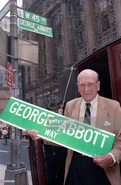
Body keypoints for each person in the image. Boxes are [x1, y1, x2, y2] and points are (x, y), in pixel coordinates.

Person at [27, 69, 121, 185]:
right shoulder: (70, 106)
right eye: (82, 85)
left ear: (98, 85)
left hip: (103, 171)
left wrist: (111, 157)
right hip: (76, 169)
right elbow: (63, 137)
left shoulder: (113, 107)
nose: (86, 89)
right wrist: (40, 134)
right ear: (77, 86)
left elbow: (119, 141)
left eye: (90, 84)